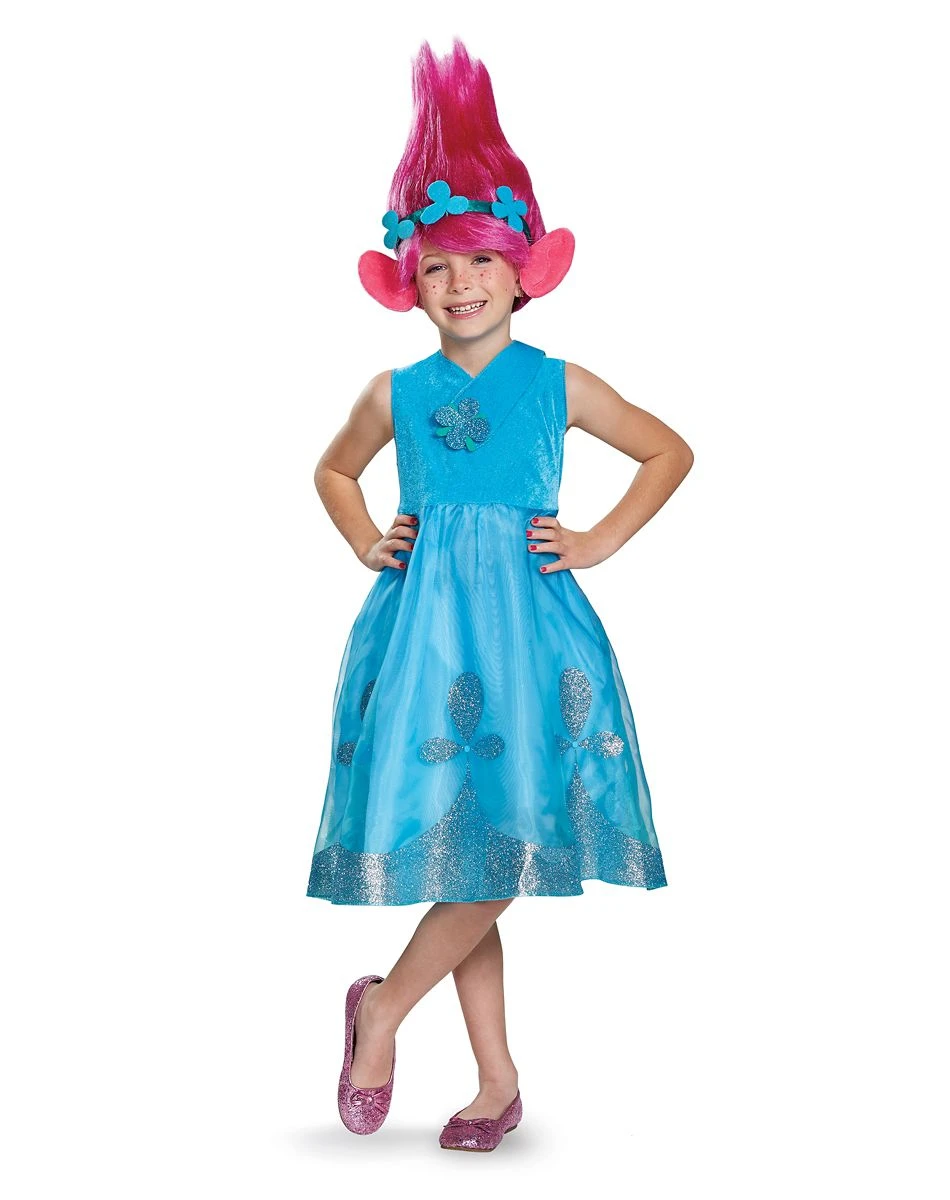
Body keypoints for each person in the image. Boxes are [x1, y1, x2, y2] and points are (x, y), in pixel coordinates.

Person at [306, 37, 693, 1151]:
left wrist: (598, 539)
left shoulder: (559, 385)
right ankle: (495, 1079)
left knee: (504, 846)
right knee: (468, 849)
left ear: (524, 272)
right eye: (437, 266)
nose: (463, 282)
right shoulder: (395, 392)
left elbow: (667, 451)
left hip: (530, 633)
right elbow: (332, 471)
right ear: (408, 285)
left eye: (482, 260)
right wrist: (363, 539)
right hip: (426, 637)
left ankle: (382, 1011)